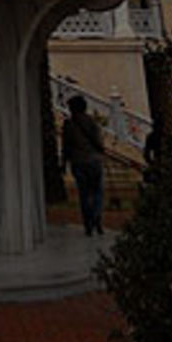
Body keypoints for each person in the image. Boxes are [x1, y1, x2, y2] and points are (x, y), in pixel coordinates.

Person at [61, 94, 105, 236]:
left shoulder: (68, 125)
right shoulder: (91, 122)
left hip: (78, 162)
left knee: (84, 193)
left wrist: (63, 163)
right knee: (97, 192)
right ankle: (97, 217)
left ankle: (88, 223)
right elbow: (98, 141)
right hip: (93, 160)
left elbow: (65, 147)